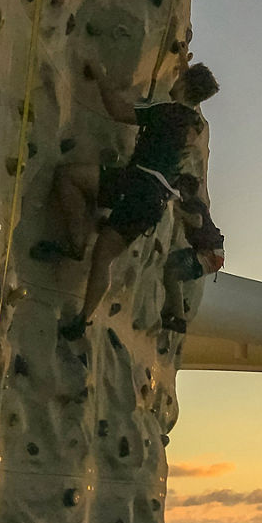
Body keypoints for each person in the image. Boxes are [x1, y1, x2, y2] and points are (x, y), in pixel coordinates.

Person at [37, 61, 219, 340]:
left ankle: (75, 242)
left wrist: (99, 75)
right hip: (152, 199)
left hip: (136, 183)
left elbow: (118, 110)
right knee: (103, 257)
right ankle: (82, 320)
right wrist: (184, 65)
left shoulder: (165, 112)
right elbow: (188, 95)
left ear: (183, 85)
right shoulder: (194, 124)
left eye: (180, 78)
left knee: (68, 177)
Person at [160, 174, 225, 334]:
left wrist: (177, 210)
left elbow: (197, 221)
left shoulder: (192, 204)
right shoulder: (191, 204)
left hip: (210, 255)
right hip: (209, 254)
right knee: (171, 263)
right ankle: (180, 304)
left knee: (172, 274)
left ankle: (179, 318)